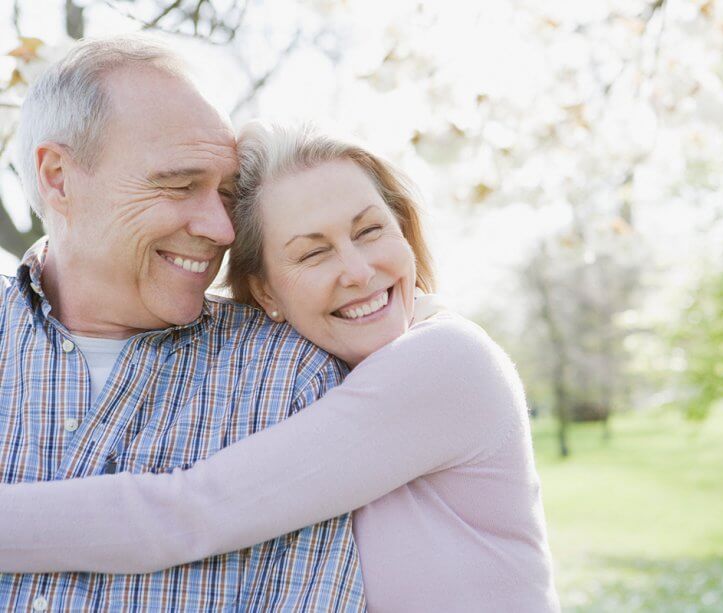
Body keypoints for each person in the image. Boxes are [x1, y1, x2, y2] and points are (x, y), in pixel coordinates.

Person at [0, 122, 561, 612]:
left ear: (406, 232)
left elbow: (190, 512)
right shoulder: (328, 372)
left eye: (369, 231)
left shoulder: (446, 363)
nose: (359, 271)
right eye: (313, 253)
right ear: (266, 291)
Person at [0, 37, 365, 611]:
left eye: (224, 194)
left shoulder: (291, 381)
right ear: (58, 177)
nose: (222, 229)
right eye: (177, 185)